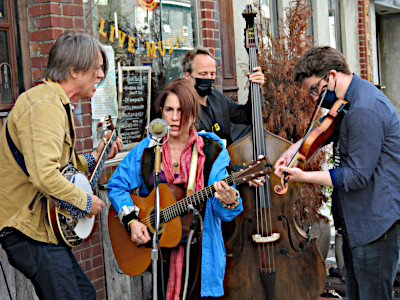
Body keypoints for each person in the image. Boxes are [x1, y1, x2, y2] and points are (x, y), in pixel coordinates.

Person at [0, 32, 123, 299]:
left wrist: (97, 155)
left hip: (42, 229)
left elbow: (63, 168)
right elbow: (45, 176)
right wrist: (87, 203)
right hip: (28, 231)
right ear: (75, 70)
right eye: (97, 68)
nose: (101, 75)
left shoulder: (54, 102)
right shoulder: (44, 105)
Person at [107, 78, 256, 298]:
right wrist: (132, 222)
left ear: (194, 114)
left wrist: (230, 198)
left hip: (200, 253)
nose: (175, 118)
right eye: (169, 110)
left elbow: (222, 212)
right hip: (159, 254)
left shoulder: (212, 151)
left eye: (182, 110)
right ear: (161, 113)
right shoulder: (148, 149)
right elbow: (117, 185)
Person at [274, 46, 400, 300]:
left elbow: (355, 176)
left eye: (314, 89)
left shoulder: (364, 110)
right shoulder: (348, 100)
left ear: (332, 76)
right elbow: (324, 129)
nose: (313, 97)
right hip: (359, 221)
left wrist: (302, 176)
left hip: (375, 223)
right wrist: (291, 152)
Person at [181, 46, 265, 146]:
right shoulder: (181, 106)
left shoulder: (216, 97)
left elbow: (246, 116)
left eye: (212, 74)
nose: (209, 78)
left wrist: (255, 87)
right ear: (187, 75)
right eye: (203, 74)